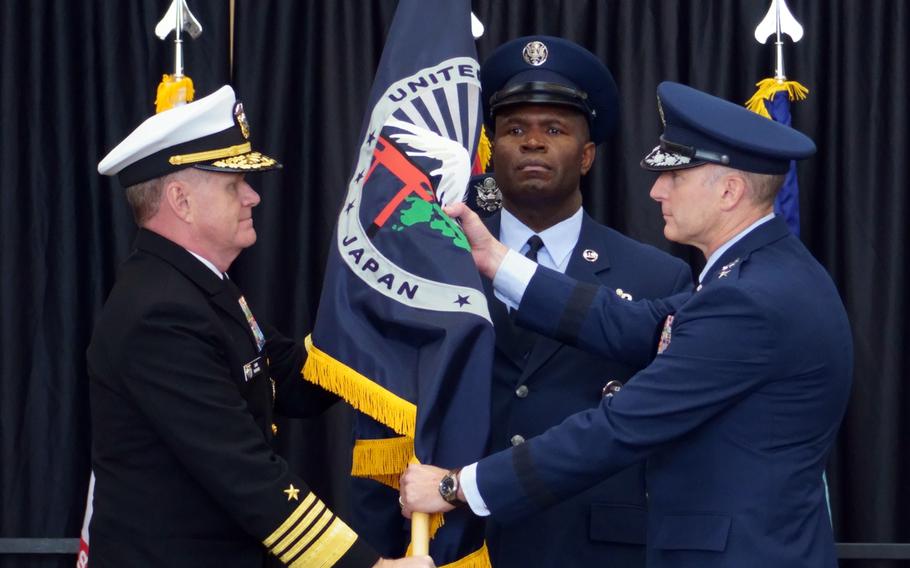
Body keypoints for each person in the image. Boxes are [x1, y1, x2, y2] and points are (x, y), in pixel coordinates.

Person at [400, 81, 853, 568]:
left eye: (674, 177)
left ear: (729, 190)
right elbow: (631, 322)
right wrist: (496, 260)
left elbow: (619, 426)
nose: (657, 190)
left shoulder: (749, 299)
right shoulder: (761, 273)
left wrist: (456, 486)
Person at [89, 85, 432, 568]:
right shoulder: (159, 313)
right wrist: (368, 566)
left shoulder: (198, 287)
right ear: (180, 200)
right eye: (234, 185)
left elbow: (290, 378)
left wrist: (385, 317)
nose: (253, 196)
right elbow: (242, 469)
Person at [471, 35, 692, 568]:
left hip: (594, 544)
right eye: (514, 129)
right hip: (464, 538)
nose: (532, 143)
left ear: (587, 155)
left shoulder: (658, 274)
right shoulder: (439, 263)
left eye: (554, 129)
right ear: (490, 148)